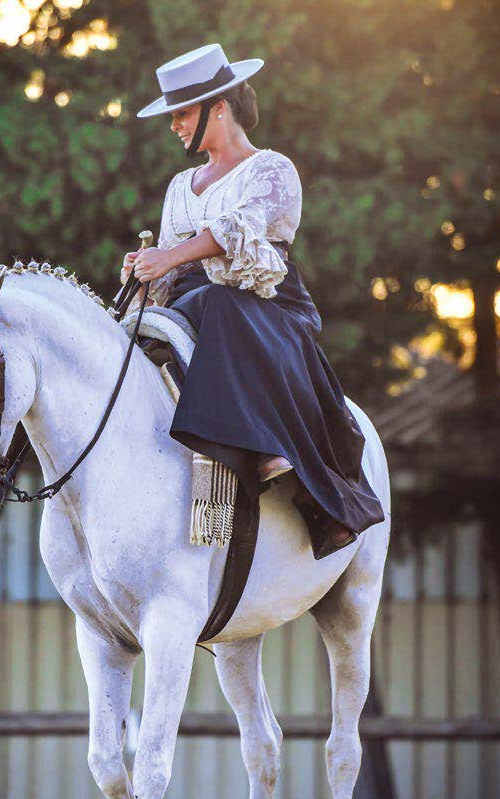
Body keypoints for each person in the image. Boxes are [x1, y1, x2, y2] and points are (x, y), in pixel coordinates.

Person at [123, 43, 385, 559]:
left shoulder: (272, 170)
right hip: (192, 298)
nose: (174, 125)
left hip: (263, 300)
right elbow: (174, 264)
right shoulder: (180, 185)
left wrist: (171, 256)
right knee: (147, 335)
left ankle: (246, 476)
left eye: (182, 113)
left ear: (218, 107)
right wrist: (144, 269)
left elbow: (236, 232)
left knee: (217, 304)